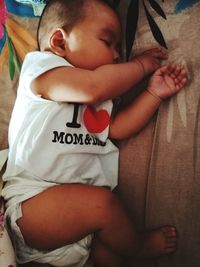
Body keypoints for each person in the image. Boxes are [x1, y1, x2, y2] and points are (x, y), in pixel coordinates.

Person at [2, 0, 187, 266]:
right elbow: (93, 87)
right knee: (104, 206)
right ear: (59, 42)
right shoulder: (42, 71)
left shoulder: (99, 100)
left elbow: (118, 128)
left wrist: (153, 94)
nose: (116, 56)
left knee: (109, 252)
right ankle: (137, 247)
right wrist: (140, 67)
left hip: (81, 228)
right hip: (33, 205)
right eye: (107, 41)